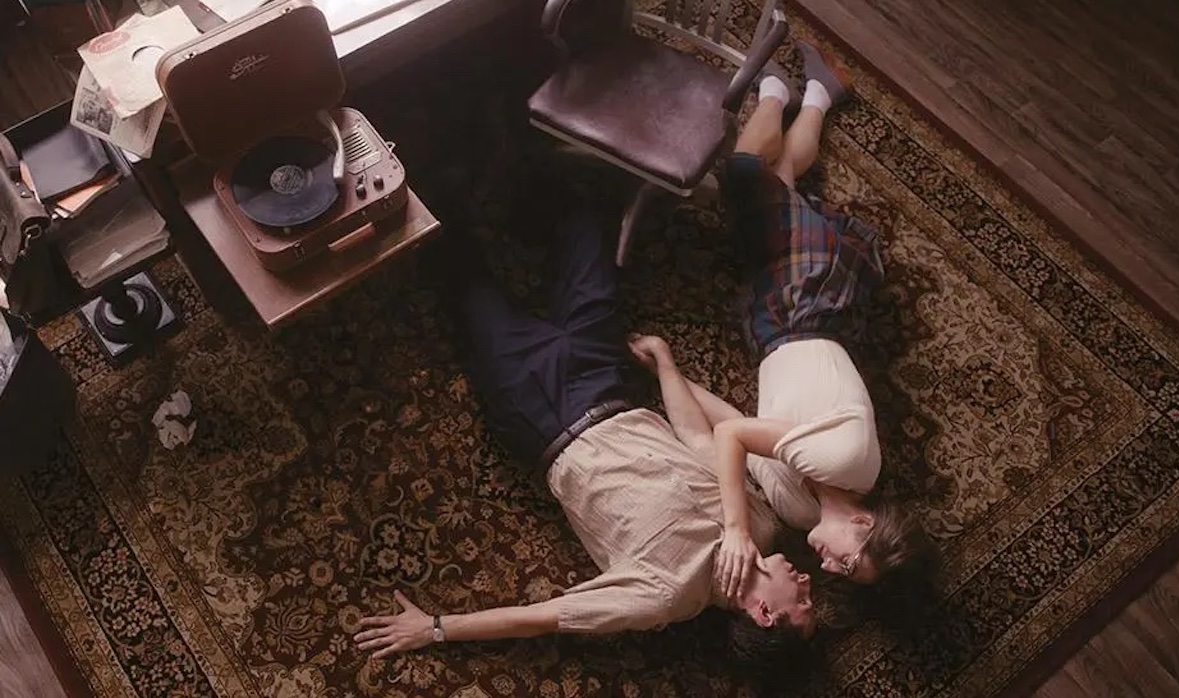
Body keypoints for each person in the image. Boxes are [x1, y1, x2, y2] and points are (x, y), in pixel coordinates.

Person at [353, 204, 816, 674]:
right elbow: (697, 438)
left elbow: (543, 618)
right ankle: (497, 176)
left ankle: (430, 194)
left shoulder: (664, 596)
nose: (807, 584)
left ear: (763, 614)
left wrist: (434, 627)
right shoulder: (763, 526)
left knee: (454, 264)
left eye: (804, 604)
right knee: (587, 221)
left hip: (543, 411)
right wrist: (666, 364)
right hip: (606, 377)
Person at [681, 41, 937, 601]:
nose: (827, 569)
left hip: (773, 327)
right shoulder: (847, 463)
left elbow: (735, 427)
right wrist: (735, 529)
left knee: (781, 180)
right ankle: (777, 91)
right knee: (746, 172)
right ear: (864, 525)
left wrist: (666, 373)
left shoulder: (800, 513)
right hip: (812, 301)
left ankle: (819, 92)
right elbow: (734, 436)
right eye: (848, 563)